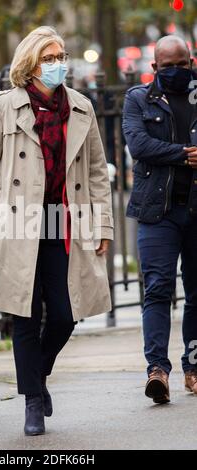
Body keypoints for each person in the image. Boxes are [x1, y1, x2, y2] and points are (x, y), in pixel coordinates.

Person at [0, 26, 113, 435]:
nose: (58, 64)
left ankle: (38, 375)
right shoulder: (5, 107)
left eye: (61, 56)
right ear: (31, 63)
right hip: (20, 221)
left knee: (66, 315)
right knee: (25, 314)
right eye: (49, 58)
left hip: (64, 220)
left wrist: (102, 224)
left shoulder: (81, 107)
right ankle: (32, 401)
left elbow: (99, 175)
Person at [123, 35, 197, 404]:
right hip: (157, 212)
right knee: (157, 290)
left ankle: (193, 367)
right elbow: (138, 145)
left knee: (196, 293)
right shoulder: (138, 98)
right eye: (167, 66)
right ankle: (158, 370)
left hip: (195, 210)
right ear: (154, 68)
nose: (175, 71)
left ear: (192, 61)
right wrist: (184, 154)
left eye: (181, 64)